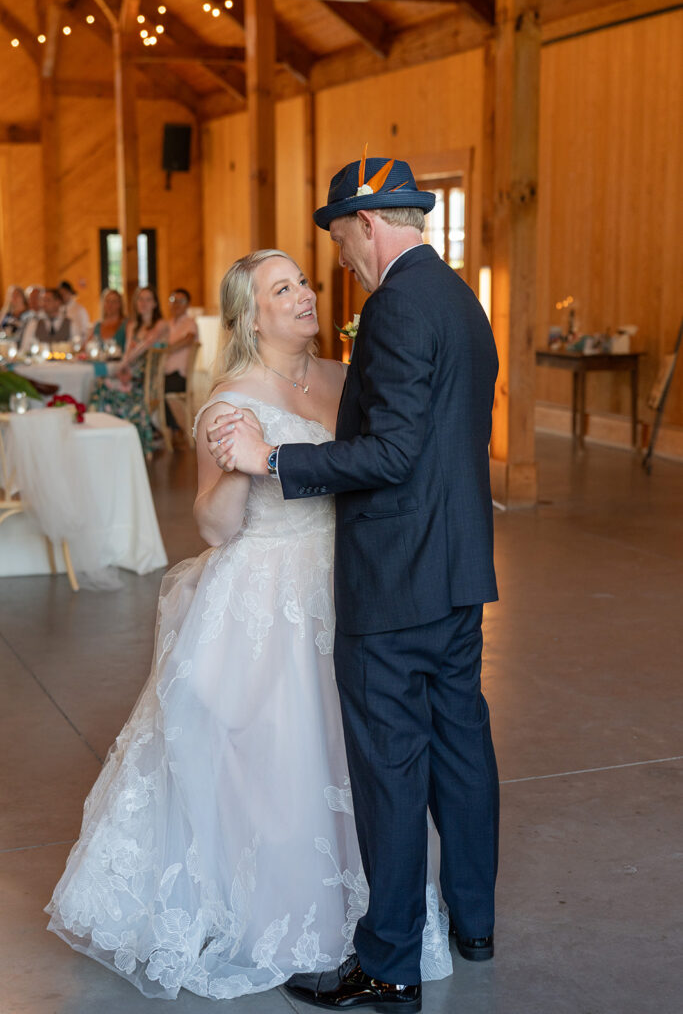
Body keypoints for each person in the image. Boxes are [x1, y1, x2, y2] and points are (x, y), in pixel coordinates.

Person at [45, 249, 452, 1001]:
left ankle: (378, 914)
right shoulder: (230, 401)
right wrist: (241, 463)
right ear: (250, 317)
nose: (304, 295)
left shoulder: (346, 376)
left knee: (361, 752)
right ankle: (275, 909)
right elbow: (212, 527)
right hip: (268, 591)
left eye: (304, 282)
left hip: (351, 581)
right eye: (282, 289)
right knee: (276, 757)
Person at [209, 155, 500, 1011]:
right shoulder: (457, 297)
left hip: (394, 579)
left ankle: (388, 964)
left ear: (367, 224)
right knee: (461, 747)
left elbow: (393, 452)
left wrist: (273, 459)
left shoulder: (395, 307)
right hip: (455, 568)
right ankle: (474, 922)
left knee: (390, 771)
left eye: (338, 240)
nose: (336, 260)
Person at [89, 286, 168, 456]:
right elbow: (127, 352)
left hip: (146, 380)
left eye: (148, 299)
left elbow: (146, 344)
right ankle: (106, 438)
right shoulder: (133, 325)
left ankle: (119, 438)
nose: (143, 303)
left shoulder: (161, 325)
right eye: (140, 299)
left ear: (155, 303)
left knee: (105, 386)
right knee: (99, 383)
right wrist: (123, 369)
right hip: (131, 375)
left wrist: (124, 365)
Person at [164, 287, 199, 436]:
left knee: (156, 389)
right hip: (164, 373)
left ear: (187, 305)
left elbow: (189, 338)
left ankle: (174, 428)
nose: (176, 304)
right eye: (173, 300)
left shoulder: (190, 323)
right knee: (146, 386)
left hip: (179, 376)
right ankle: (165, 428)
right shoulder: (167, 324)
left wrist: (168, 349)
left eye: (181, 301)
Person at [20, 287, 72, 352]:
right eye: (43, 300)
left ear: (58, 302)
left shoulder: (70, 323)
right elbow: (25, 347)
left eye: (48, 300)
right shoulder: (34, 322)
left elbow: (76, 345)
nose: (44, 303)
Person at [88, 288, 127, 353]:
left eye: (114, 301)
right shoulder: (97, 325)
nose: (110, 305)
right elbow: (86, 346)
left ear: (120, 304)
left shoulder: (126, 324)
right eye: (107, 301)